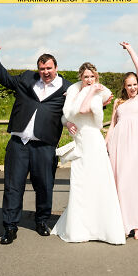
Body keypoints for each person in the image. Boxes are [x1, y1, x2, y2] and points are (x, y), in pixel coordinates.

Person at [0, 41, 76, 245]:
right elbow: (6, 79)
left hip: (45, 147)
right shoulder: (27, 78)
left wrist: (101, 98)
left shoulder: (67, 88)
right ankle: (10, 227)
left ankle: (42, 221)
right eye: (42, 68)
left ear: (56, 68)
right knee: (13, 186)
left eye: (49, 68)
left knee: (44, 186)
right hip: (19, 144)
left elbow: (82, 101)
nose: (45, 72)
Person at [51, 62, 126, 244]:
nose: (89, 80)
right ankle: (79, 229)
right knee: (80, 183)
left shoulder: (97, 93)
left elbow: (85, 110)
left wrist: (92, 92)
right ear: (81, 78)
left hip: (94, 140)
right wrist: (68, 123)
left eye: (92, 77)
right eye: (86, 77)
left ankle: (103, 229)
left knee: (100, 182)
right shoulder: (73, 92)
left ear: (96, 77)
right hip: (81, 141)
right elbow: (67, 114)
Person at [105, 42, 138, 240]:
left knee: (129, 184)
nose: (132, 87)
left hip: (132, 147)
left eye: (134, 84)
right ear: (124, 86)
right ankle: (120, 224)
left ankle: (135, 224)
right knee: (116, 184)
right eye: (129, 85)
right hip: (116, 145)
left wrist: (132, 51)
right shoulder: (119, 102)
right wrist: (105, 144)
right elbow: (112, 125)